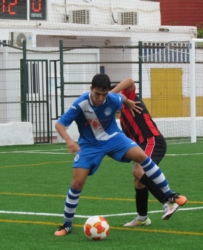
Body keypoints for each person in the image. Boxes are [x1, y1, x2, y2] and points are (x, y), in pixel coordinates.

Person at [54, 73, 187, 236]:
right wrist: (68, 140)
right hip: (89, 145)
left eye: (104, 95)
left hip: (113, 137)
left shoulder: (112, 98)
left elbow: (121, 98)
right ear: (91, 90)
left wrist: (129, 102)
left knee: (141, 156)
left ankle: (169, 195)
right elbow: (60, 124)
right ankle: (67, 225)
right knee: (77, 183)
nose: (100, 99)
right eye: (97, 94)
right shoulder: (81, 103)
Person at [110, 78, 179, 227]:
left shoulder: (130, 98)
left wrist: (111, 93)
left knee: (138, 170)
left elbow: (129, 81)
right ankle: (142, 218)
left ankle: (168, 201)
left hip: (152, 140)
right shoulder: (122, 118)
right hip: (143, 144)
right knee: (138, 180)